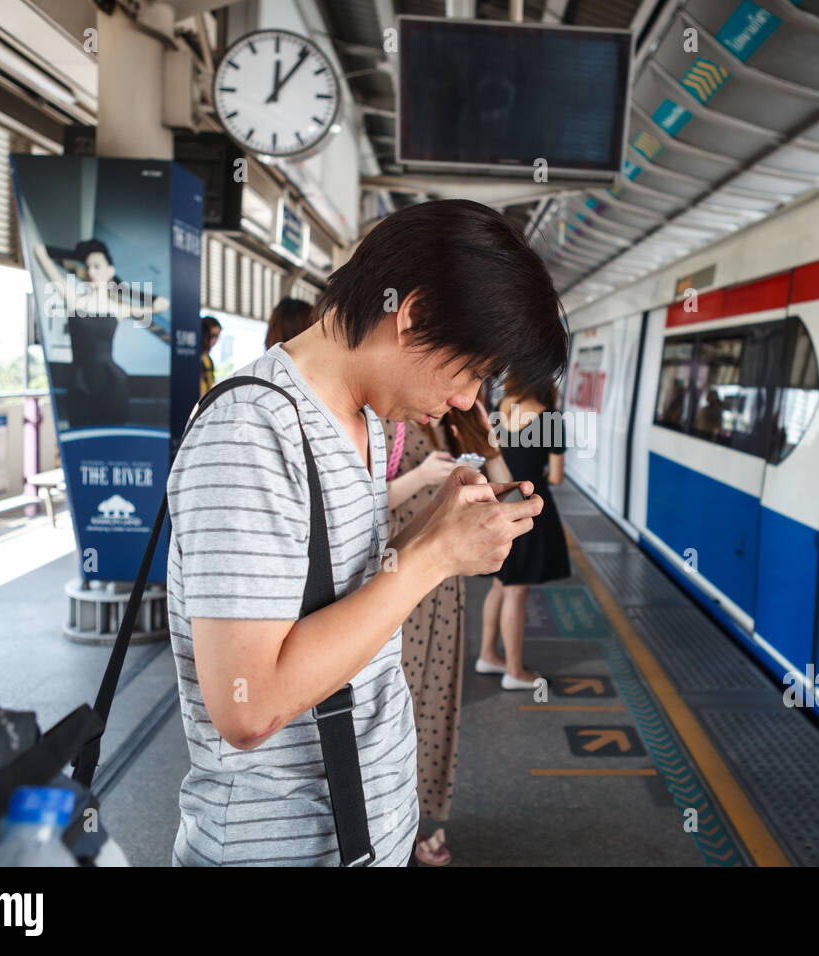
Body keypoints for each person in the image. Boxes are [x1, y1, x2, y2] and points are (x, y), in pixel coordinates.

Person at [165, 199, 567, 867]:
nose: (470, 401)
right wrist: (431, 558)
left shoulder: (360, 420)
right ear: (412, 316)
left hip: (358, 837)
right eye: (470, 371)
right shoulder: (253, 432)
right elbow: (249, 706)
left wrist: (430, 532)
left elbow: (344, 602)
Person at [381, 398, 510, 866]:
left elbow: (504, 492)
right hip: (397, 580)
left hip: (445, 588)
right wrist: (422, 476)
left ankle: (418, 822)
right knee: (395, 707)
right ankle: (386, 826)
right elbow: (362, 501)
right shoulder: (389, 414)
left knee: (435, 706)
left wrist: (485, 439)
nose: (465, 389)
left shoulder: (458, 419)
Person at [478, 373, 571, 690]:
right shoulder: (549, 418)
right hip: (529, 508)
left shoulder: (500, 407)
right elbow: (556, 477)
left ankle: (488, 654)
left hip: (502, 504)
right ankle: (514, 671)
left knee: (500, 584)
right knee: (516, 591)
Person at [30, 238, 170, 428]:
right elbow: (40, 251)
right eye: (87, 266)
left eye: (97, 266)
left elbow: (162, 304)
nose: (90, 272)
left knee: (113, 441)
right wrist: (77, 255)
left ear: (110, 270)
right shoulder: (74, 301)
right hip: (79, 383)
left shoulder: (119, 308)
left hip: (111, 384)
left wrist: (126, 289)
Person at [199, 315, 221, 396]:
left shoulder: (208, 360)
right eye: (212, 336)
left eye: (217, 336)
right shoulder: (196, 360)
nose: (214, 341)